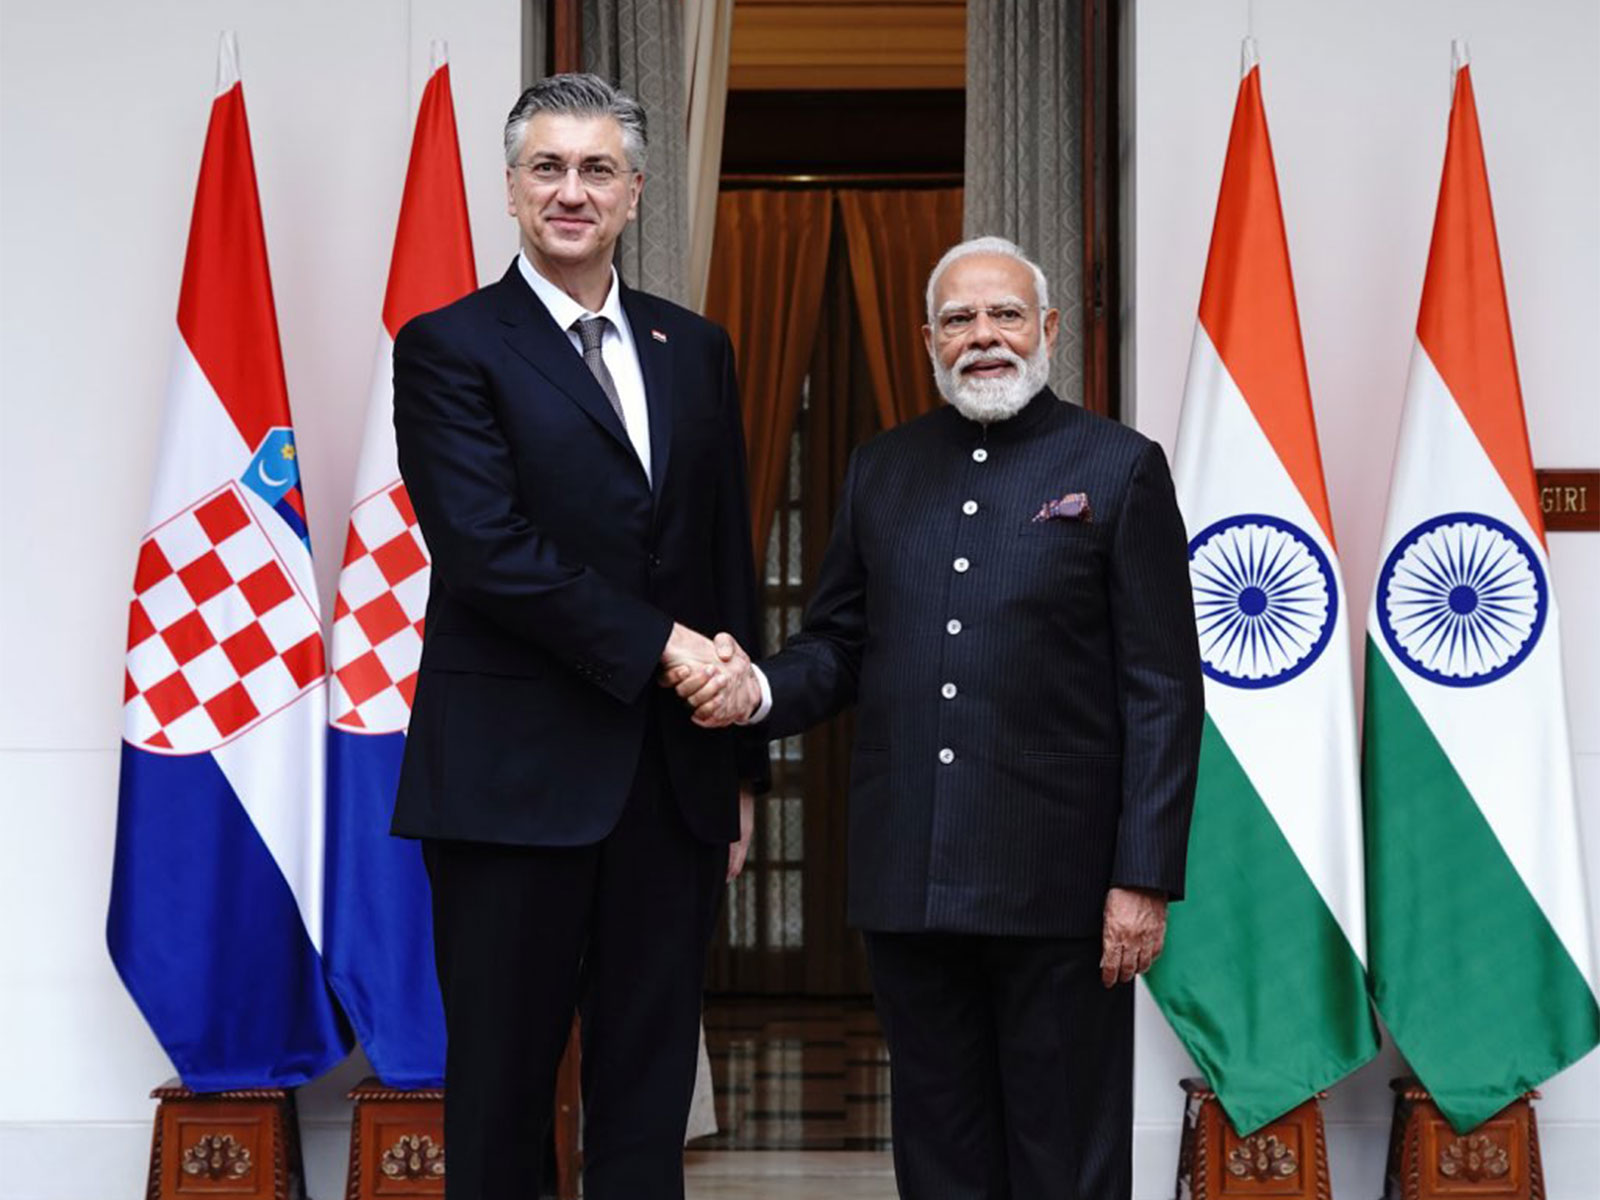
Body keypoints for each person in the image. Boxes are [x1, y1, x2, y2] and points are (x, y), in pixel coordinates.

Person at [673, 237, 1204, 1198]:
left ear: (1048, 329)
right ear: (928, 340)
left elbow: (1163, 688)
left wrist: (1143, 876)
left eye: (1005, 315)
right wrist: (757, 692)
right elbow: (837, 646)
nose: (983, 336)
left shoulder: (1119, 466)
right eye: (958, 319)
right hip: (909, 879)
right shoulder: (882, 469)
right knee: (939, 1157)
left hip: (1062, 886)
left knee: (1065, 1159)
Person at [390, 73, 764, 1200]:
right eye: (547, 167)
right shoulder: (448, 345)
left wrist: (739, 762)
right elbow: (485, 549)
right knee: (501, 1101)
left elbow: (722, 556)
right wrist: (666, 647)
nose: (571, 190)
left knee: (647, 1103)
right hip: (510, 785)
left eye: (597, 169)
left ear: (635, 192)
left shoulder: (694, 347)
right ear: (510, 189)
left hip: (670, 784)